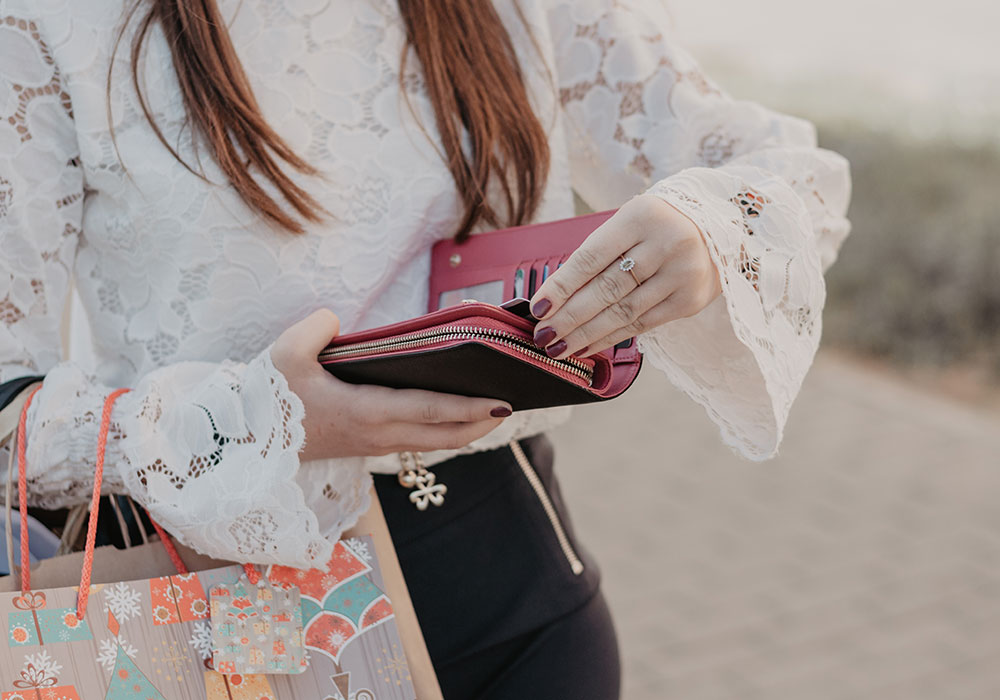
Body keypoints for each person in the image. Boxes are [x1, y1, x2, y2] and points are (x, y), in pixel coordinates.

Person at [0, 0, 851, 697]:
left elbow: (780, 168)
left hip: (516, 595)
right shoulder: (49, 21)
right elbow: (10, 409)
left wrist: (707, 227)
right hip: (214, 609)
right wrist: (259, 419)